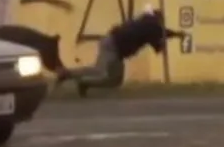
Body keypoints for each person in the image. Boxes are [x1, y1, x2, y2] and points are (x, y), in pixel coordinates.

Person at [58, 5, 187, 97]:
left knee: (106, 75)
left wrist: (175, 35)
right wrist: (166, 41)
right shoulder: (153, 27)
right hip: (114, 47)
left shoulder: (145, 22)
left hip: (111, 43)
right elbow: (159, 46)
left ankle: (70, 75)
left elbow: (163, 33)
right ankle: (82, 82)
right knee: (106, 76)